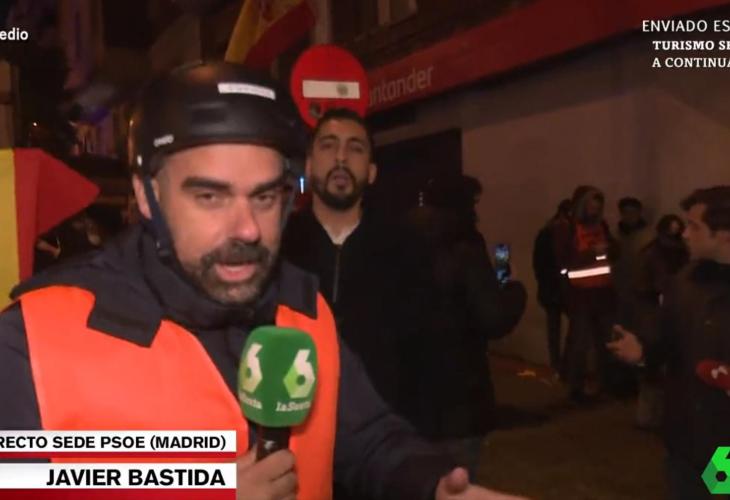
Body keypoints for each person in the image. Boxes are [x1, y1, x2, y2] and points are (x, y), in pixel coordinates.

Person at [0, 62, 526, 500]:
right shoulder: (33, 341)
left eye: (266, 196)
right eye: (210, 196)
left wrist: (434, 485)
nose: (248, 228)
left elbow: (367, 439)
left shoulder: (303, 308)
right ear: (146, 194)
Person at [400, 174, 527, 479]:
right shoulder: (464, 244)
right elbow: (493, 317)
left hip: (410, 394)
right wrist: (515, 290)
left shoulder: (401, 241)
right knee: (456, 483)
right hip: (459, 393)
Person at [608, 186, 730, 500]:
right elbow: (664, 339)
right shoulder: (685, 281)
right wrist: (642, 352)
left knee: (719, 493)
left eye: (694, 227)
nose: (685, 234)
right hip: (684, 439)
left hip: (725, 446)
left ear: (724, 235)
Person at [553, 186, 621, 403]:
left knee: (605, 341)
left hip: (603, 292)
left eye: (598, 207)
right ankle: (574, 387)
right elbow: (563, 261)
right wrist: (592, 253)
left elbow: (613, 253)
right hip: (580, 294)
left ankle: (605, 384)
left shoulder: (601, 226)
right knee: (579, 343)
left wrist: (611, 249)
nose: (596, 210)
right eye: (592, 206)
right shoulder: (567, 229)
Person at [532, 199, 572, 374]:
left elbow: (539, 263)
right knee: (567, 327)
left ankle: (558, 364)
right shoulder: (556, 233)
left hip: (553, 287)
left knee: (555, 328)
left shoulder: (547, 232)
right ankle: (562, 364)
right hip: (560, 287)